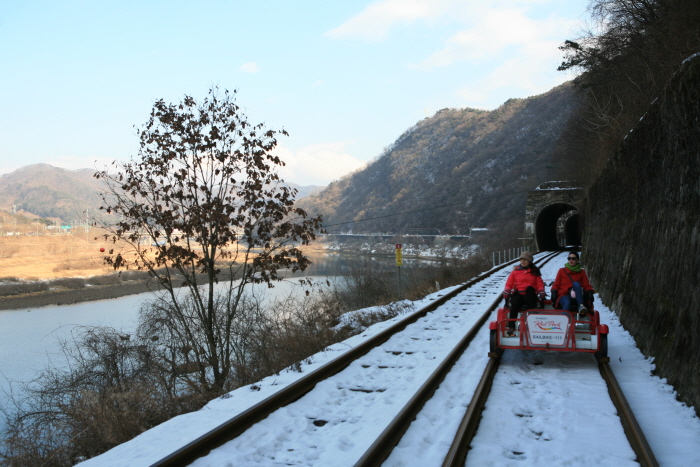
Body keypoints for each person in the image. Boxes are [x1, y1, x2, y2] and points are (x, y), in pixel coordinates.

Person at [503, 251, 545, 336]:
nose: (523, 261)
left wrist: (541, 292)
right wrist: (507, 291)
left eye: (525, 260)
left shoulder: (534, 272)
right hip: (519, 293)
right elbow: (509, 283)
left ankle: (528, 324)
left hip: (529, 295)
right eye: (521, 259)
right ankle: (511, 326)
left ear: (530, 261)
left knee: (530, 289)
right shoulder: (515, 272)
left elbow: (539, 283)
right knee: (515, 303)